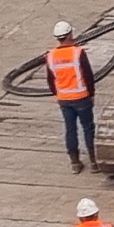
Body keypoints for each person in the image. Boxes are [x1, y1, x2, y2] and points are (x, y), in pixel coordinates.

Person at [46, 23, 97, 170]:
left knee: (70, 129)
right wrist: (91, 94)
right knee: (88, 128)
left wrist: (60, 94)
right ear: (69, 35)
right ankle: (94, 162)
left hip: (64, 99)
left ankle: (75, 162)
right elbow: (88, 75)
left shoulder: (51, 56)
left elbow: (50, 80)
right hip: (81, 97)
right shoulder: (78, 52)